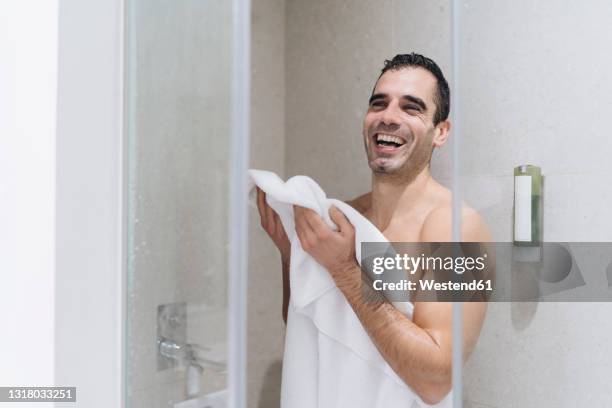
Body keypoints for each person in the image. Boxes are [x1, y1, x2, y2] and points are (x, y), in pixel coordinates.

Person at [256, 53, 490, 405]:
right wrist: (293, 256)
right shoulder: (345, 215)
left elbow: (436, 379)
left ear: (441, 132)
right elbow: (314, 328)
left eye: (411, 108)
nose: (388, 117)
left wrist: (343, 269)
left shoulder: (459, 227)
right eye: (379, 104)